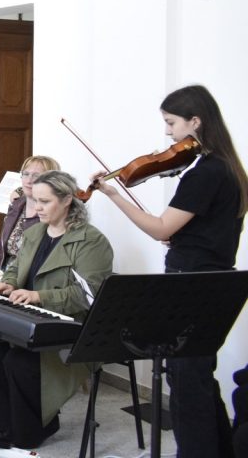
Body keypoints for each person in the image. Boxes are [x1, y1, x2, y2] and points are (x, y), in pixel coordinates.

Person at [92, 84, 246, 458]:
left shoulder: (206, 172)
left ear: (196, 121)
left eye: (171, 122)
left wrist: (114, 197)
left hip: (192, 287)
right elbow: (208, 231)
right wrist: (184, 240)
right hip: (213, 281)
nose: (168, 133)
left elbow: (161, 227)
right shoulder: (227, 169)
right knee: (196, 376)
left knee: (186, 380)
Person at [0, 170, 114, 451]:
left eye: (44, 201)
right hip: (31, 316)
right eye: (34, 200)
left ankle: (33, 428)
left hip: (71, 327)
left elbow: (88, 295)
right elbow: (16, 267)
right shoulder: (35, 232)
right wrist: (8, 283)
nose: (36, 207)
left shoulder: (91, 241)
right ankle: (5, 423)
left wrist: (39, 296)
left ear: (66, 200)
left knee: (20, 361)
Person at [0, 155, 61, 386]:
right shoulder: (16, 204)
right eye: (25, 173)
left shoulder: (47, 214)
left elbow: (33, 254)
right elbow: (0, 245)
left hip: (27, 280)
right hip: (5, 273)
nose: (29, 179)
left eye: (37, 176)